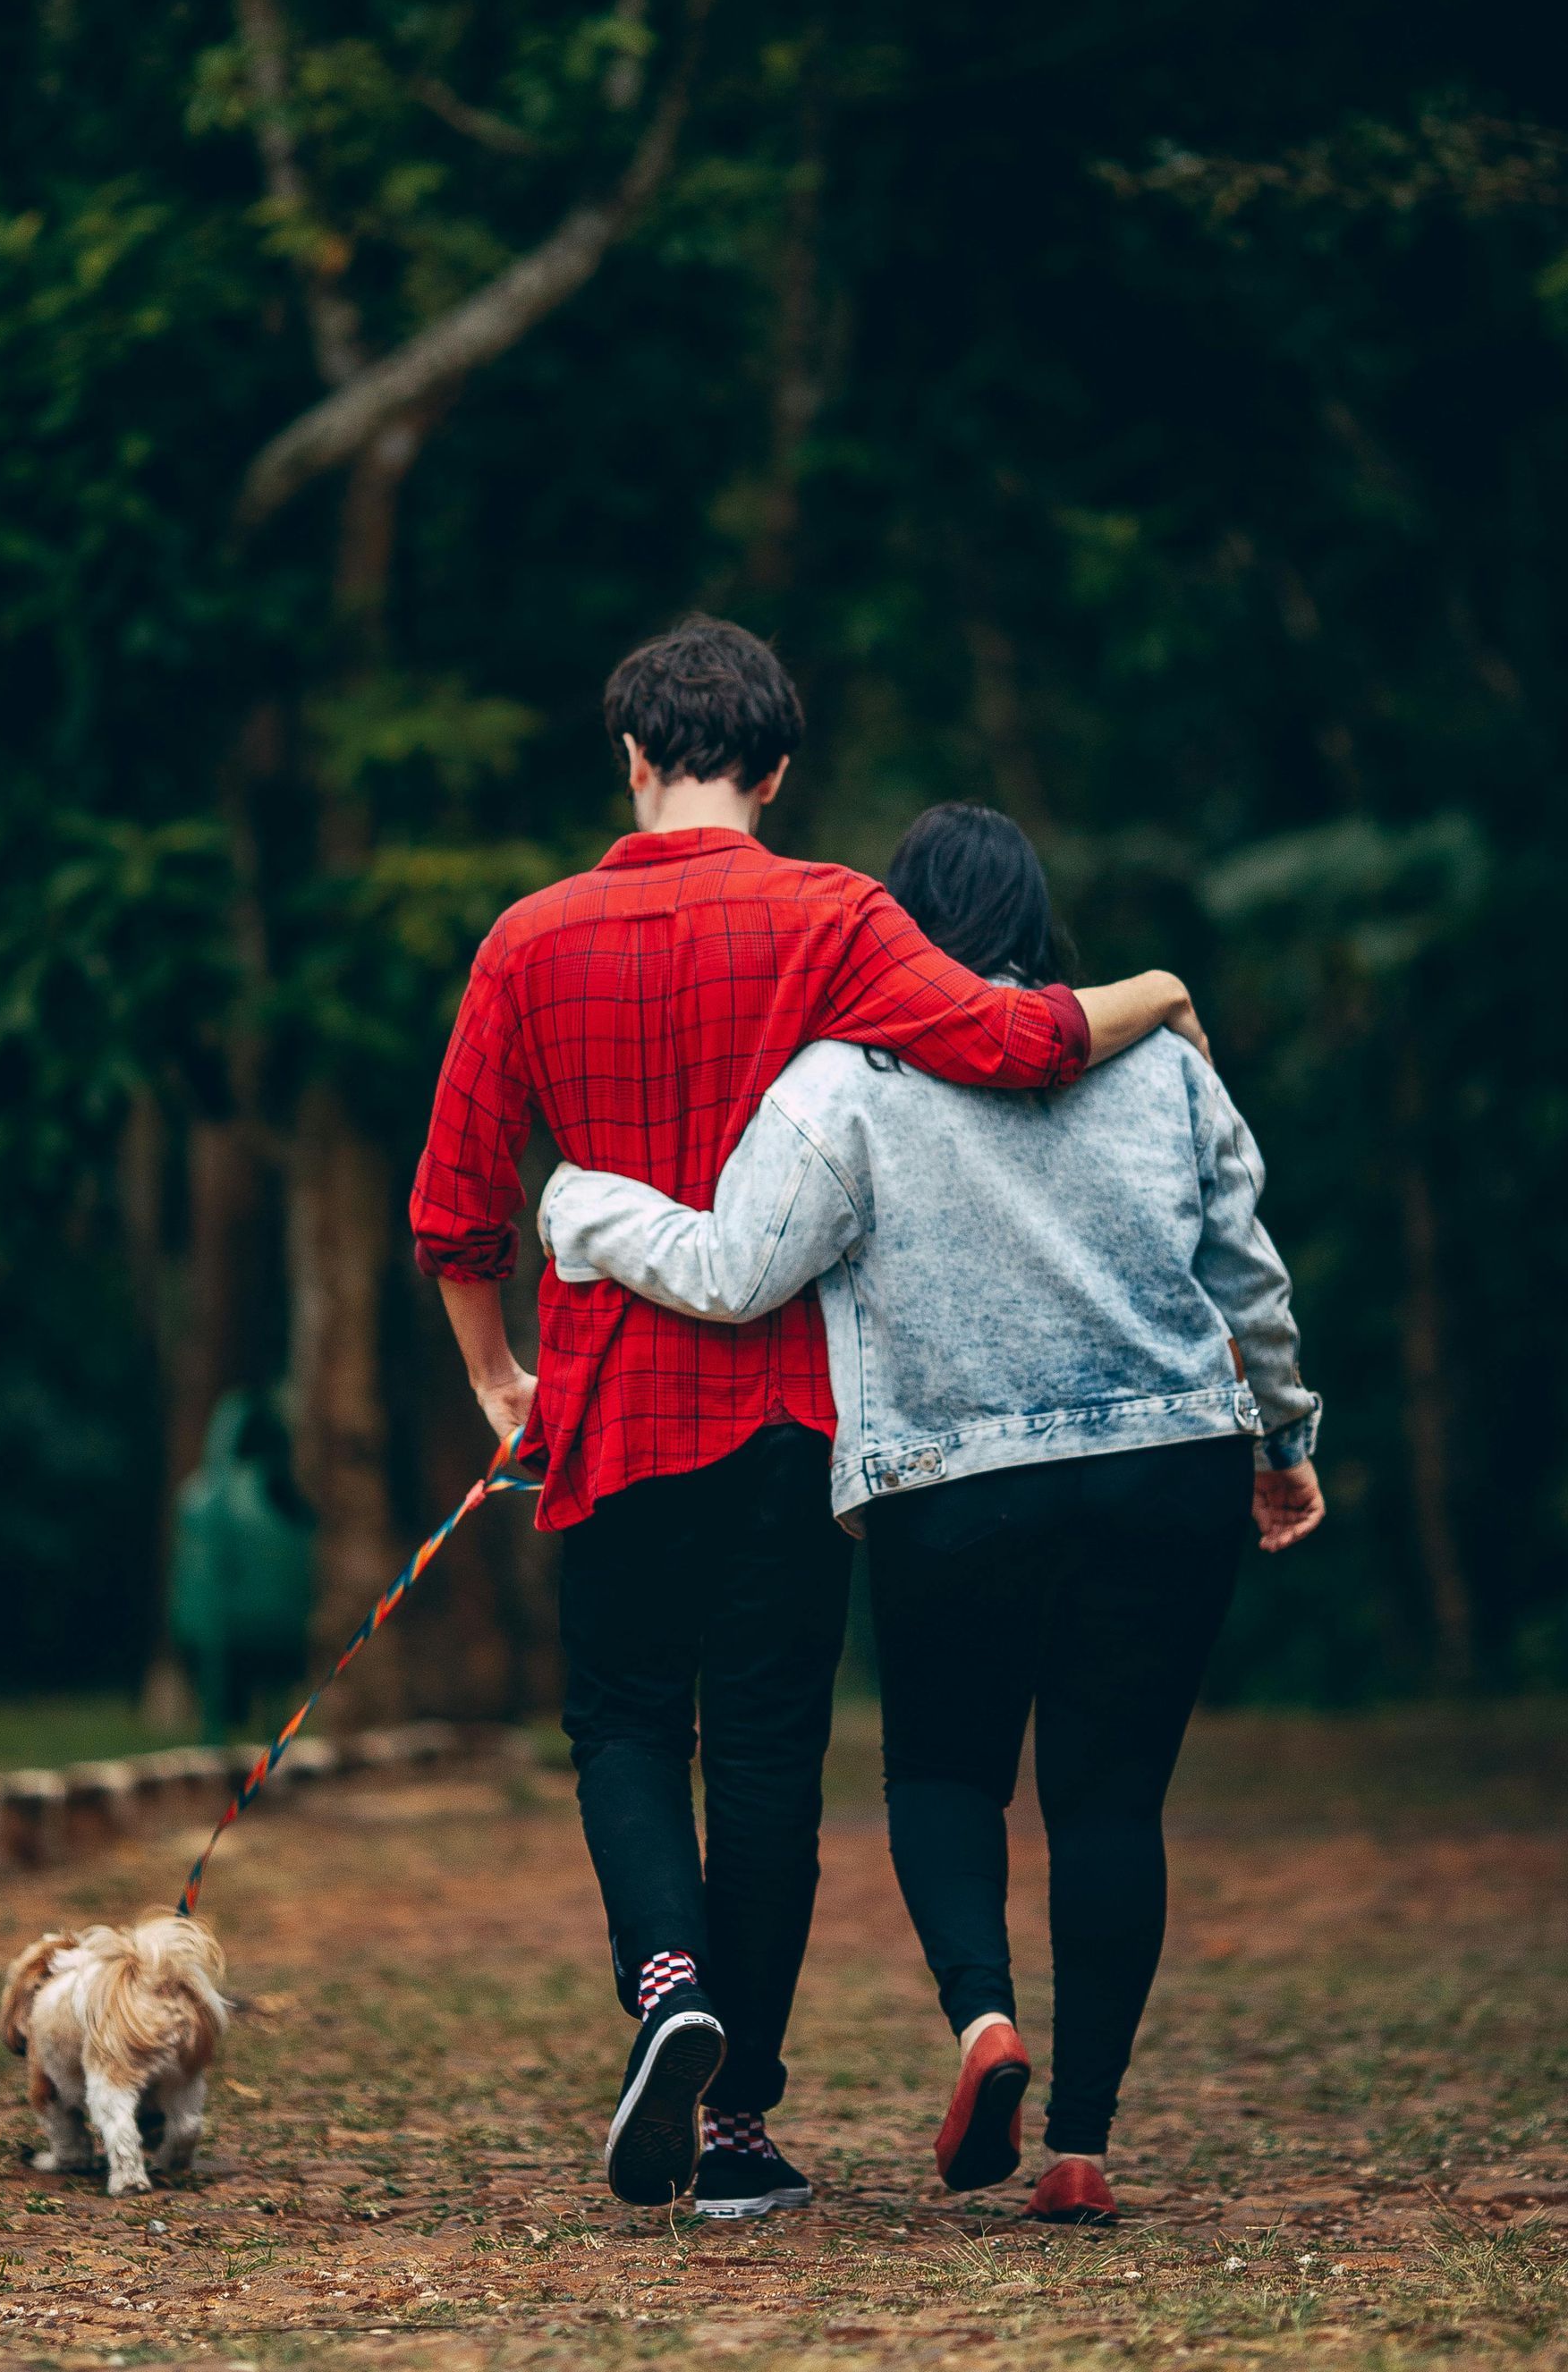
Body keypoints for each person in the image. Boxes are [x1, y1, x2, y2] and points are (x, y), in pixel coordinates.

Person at [411, 623, 1211, 2223]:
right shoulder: (838, 913)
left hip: (610, 1415)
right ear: (776, 772)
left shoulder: (526, 937)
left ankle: (668, 1994)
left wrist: (503, 1381)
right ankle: (734, 2127)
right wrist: (1165, 987)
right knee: (771, 1752)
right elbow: (1015, 1042)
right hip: (786, 1414)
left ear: (631, 759)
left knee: (626, 1726)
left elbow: (455, 1201)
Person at [539, 801, 1324, 2227]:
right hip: (1170, 1466)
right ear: (1044, 926)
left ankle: (982, 2025)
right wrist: (1282, 1437)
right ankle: (1079, 2148)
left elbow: (732, 1270)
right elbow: (1248, 1275)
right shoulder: (1164, 1069)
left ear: (894, 926)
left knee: (946, 1780)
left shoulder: (847, 1078)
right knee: (1111, 1800)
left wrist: (586, 1210)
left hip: (953, 1493)